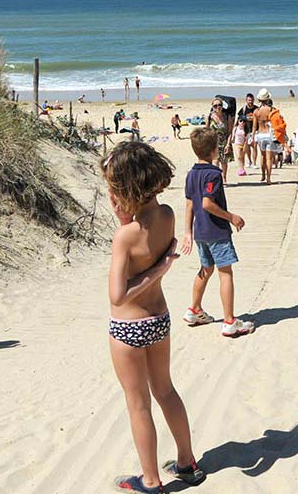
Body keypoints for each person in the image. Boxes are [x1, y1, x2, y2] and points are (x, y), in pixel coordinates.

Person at [101, 141, 205, 494]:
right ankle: (188, 463)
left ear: (125, 187)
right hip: (159, 319)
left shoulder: (124, 236)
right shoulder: (168, 216)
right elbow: (152, 256)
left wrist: (156, 267)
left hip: (128, 326)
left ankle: (150, 481)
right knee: (166, 390)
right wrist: (160, 268)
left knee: (138, 403)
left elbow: (117, 295)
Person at [181, 128, 254, 338]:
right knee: (225, 273)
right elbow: (206, 203)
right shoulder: (213, 174)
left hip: (200, 231)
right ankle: (230, 321)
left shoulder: (191, 174)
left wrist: (188, 232)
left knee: (206, 268)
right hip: (216, 230)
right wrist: (231, 217)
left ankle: (194, 309)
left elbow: (189, 205)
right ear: (214, 150)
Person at [251, 89, 281, 185]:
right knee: (269, 158)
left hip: (260, 134)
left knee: (262, 156)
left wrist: (252, 137)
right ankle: (268, 178)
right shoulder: (272, 110)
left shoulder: (256, 111)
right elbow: (277, 123)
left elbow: (254, 126)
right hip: (269, 134)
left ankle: (263, 175)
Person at [206, 98, 233, 179]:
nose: (218, 107)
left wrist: (228, 144)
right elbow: (206, 130)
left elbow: (230, 132)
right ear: (212, 107)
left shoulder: (227, 117)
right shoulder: (209, 117)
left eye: (219, 105)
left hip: (224, 142)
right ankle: (217, 178)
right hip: (213, 142)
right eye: (215, 105)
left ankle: (224, 177)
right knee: (215, 161)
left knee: (224, 162)